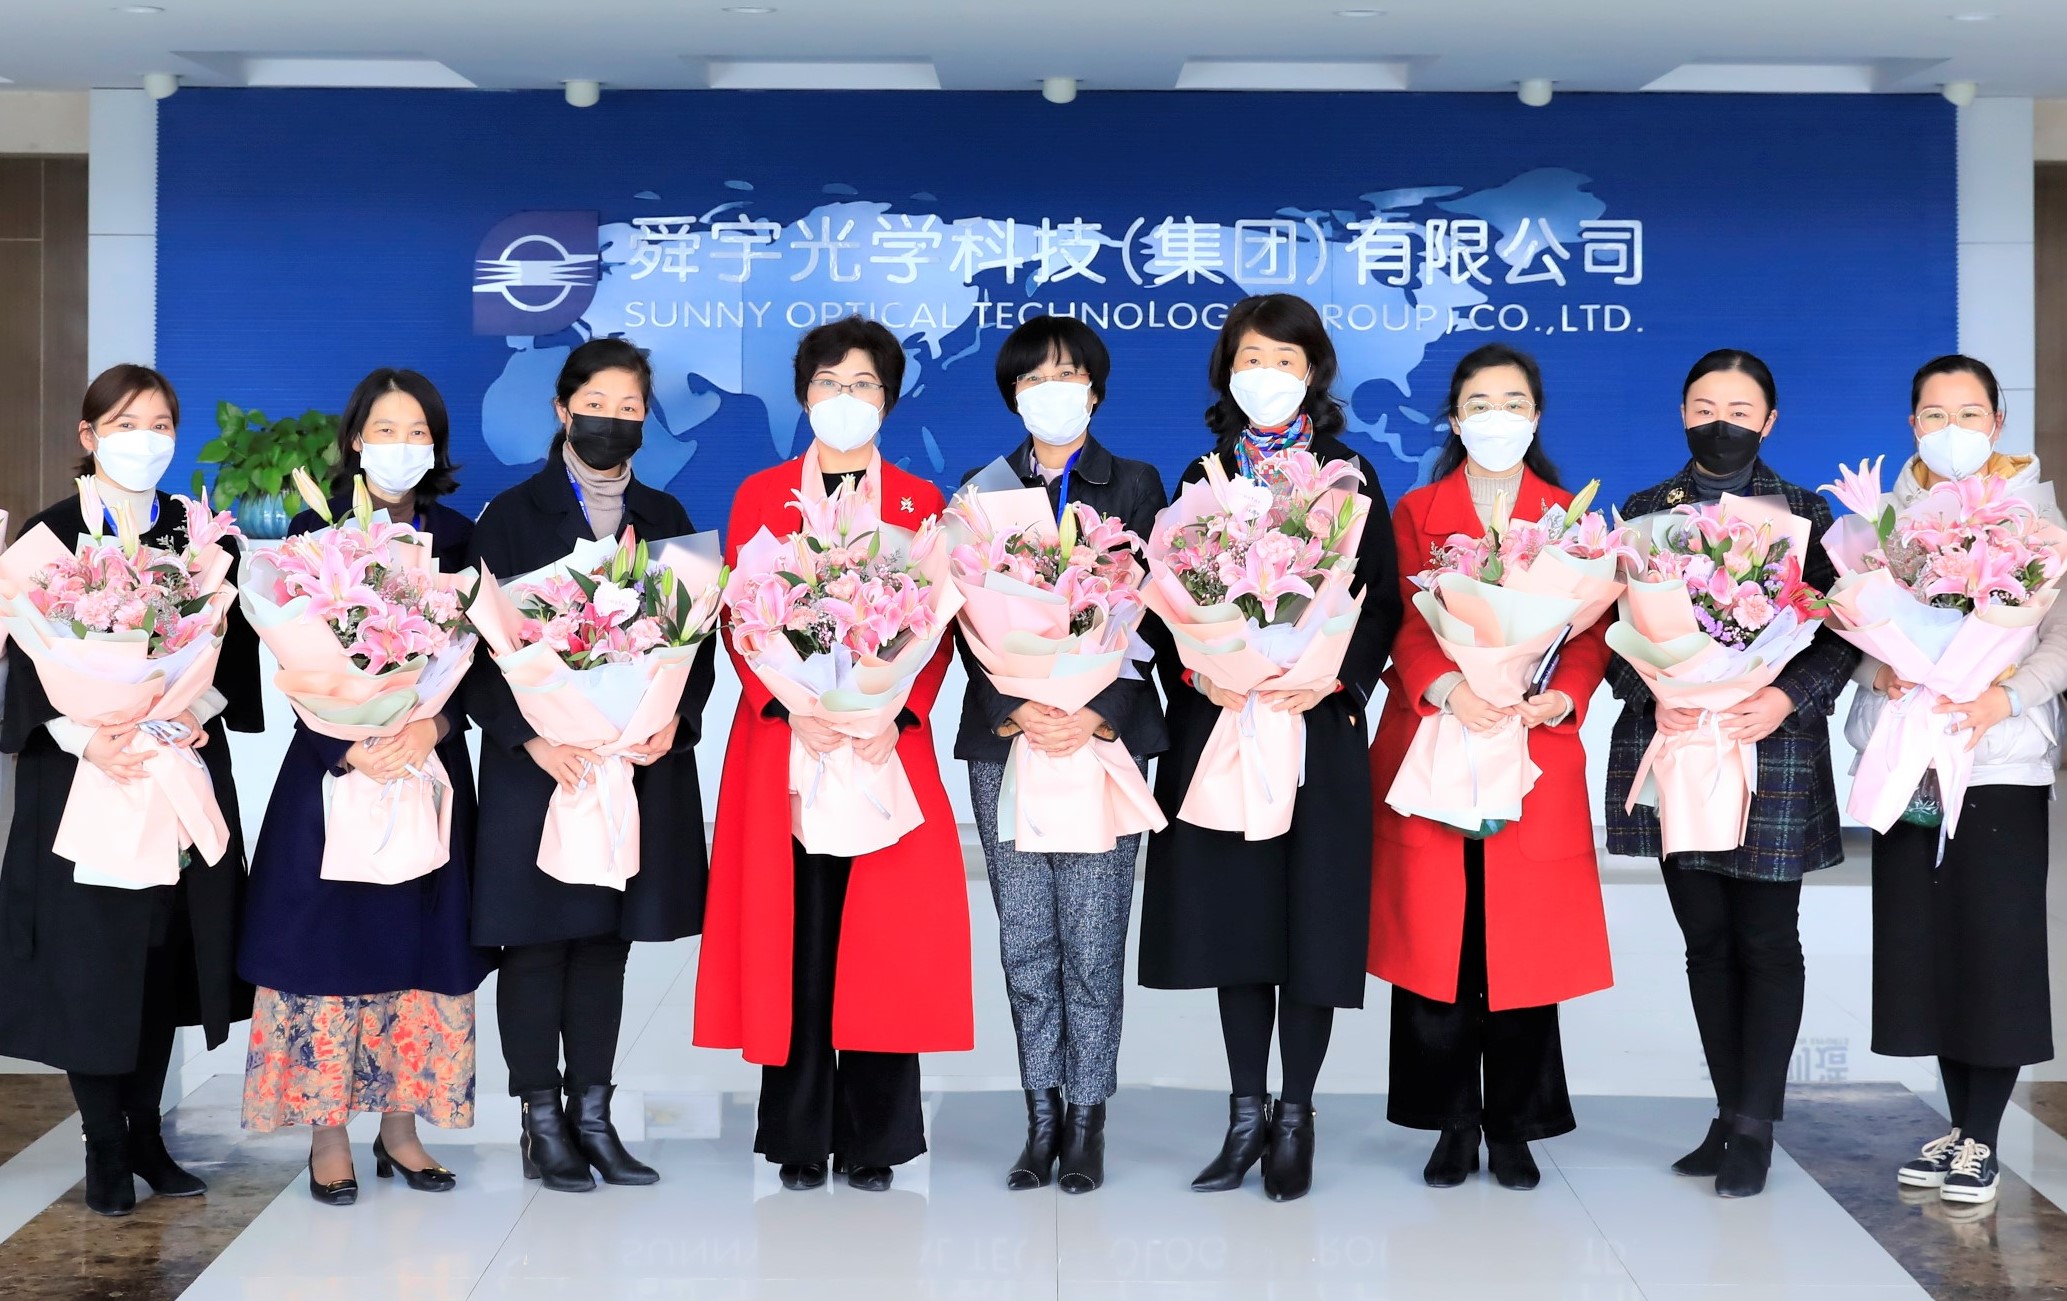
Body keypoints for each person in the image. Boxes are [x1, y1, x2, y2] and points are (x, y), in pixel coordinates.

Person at [696, 315, 973, 1193]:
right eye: (827, 382)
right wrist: (788, 704)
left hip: (884, 746)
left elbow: (938, 632)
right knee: (800, 937)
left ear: (887, 398)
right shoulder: (761, 494)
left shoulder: (920, 503)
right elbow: (739, 619)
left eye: (861, 384)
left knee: (879, 943)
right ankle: (797, 1133)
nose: (843, 398)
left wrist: (898, 713)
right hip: (787, 743)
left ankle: (876, 1138)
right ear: (802, 394)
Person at [1138, 293, 1402, 1202]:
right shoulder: (1201, 475)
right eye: (1251, 358)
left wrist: (1335, 681)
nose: (1268, 374)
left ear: (1312, 372)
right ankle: (1244, 1114)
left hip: (1314, 729)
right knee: (1240, 924)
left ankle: (1296, 1117)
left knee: (1311, 923)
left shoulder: (1350, 474)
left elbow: (1381, 603)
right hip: (1222, 726)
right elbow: (1162, 601)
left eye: (1285, 359)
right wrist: (1200, 673)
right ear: (1228, 371)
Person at [0, 364, 261, 1216]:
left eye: (159, 424)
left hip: (174, 769)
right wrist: (87, 735)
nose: (143, 439)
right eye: (123, 423)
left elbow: (232, 660)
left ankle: (147, 1134)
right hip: (84, 778)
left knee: (159, 958)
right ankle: (104, 1146)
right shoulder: (47, 538)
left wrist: (192, 712)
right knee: (93, 963)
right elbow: (28, 666)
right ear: (89, 436)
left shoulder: (201, 537)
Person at [1604, 348, 1858, 1198]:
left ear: (1768, 422)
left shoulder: (1807, 513)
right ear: (1682, 413)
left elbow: (1841, 631)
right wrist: (1652, 694)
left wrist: (1786, 697)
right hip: (1679, 744)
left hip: (1767, 746)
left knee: (1766, 939)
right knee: (1705, 941)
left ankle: (1754, 1124)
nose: (1721, 422)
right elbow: (1610, 632)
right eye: (1705, 406)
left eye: (1740, 410)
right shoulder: (1645, 512)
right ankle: (1726, 1110)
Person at [238, 368, 495, 1205]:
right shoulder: (311, 537)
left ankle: (402, 1128)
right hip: (330, 770)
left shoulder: (460, 537)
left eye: (417, 431)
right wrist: (347, 744)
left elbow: (486, 665)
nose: (401, 445)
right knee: (325, 947)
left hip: (425, 765)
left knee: (420, 945)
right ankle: (327, 1135)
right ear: (355, 440)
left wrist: (431, 727)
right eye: (385, 429)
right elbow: (294, 661)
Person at [464, 338, 716, 1193]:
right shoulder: (509, 514)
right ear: (562, 409)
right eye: (597, 404)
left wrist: (673, 722)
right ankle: (542, 1121)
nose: (613, 420)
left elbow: (697, 641)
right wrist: (529, 738)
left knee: (606, 945)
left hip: (630, 767)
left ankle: (595, 1118)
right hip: (541, 771)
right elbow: (473, 651)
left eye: (630, 407)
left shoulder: (666, 513)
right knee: (537, 944)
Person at [1369, 343, 1612, 1193]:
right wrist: (1445, 687)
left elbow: (1589, 632)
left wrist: (1562, 696)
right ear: (1453, 417)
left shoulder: (1571, 520)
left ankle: (1514, 1124)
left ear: (1534, 416)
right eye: (1479, 403)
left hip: (1529, 742)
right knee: (1440, 941)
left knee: (1518, 944)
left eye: (1512, 402)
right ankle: (1448, 1121)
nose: (1495, 417)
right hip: (1441, 734)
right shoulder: (1416, 508)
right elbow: (1402, 620)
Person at [953, 316, 1168, 1194]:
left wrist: (1096, 710)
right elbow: (959, 614)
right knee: (1026, 942)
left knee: (1092, 938)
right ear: (1013, 394)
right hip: (1009, 740)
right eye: (1035, 378)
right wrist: (1015, 705)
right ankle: (1039, 1114)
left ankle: (1086, 1117)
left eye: (1069, 375)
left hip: (1099, 741)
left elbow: (1159, 612)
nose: (1053, 390)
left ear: (1095, 390)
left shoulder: (1137, 483)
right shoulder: (979, 491)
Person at [1852, 354, 2067, 1207]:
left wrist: (1999, 697)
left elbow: (2057, 641)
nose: (1952, 430)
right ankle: (1959, 1125)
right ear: (1912, 425)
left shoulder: (2037, 519)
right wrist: (1878, 670)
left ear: (1996, 422)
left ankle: (1980, 1137)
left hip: (1998, 759)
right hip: (1911, 757)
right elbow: (1849, 626)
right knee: (1930, 948)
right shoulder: (1880, 523)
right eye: (1934, 416)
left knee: (1996, 949)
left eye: (1969, 413)